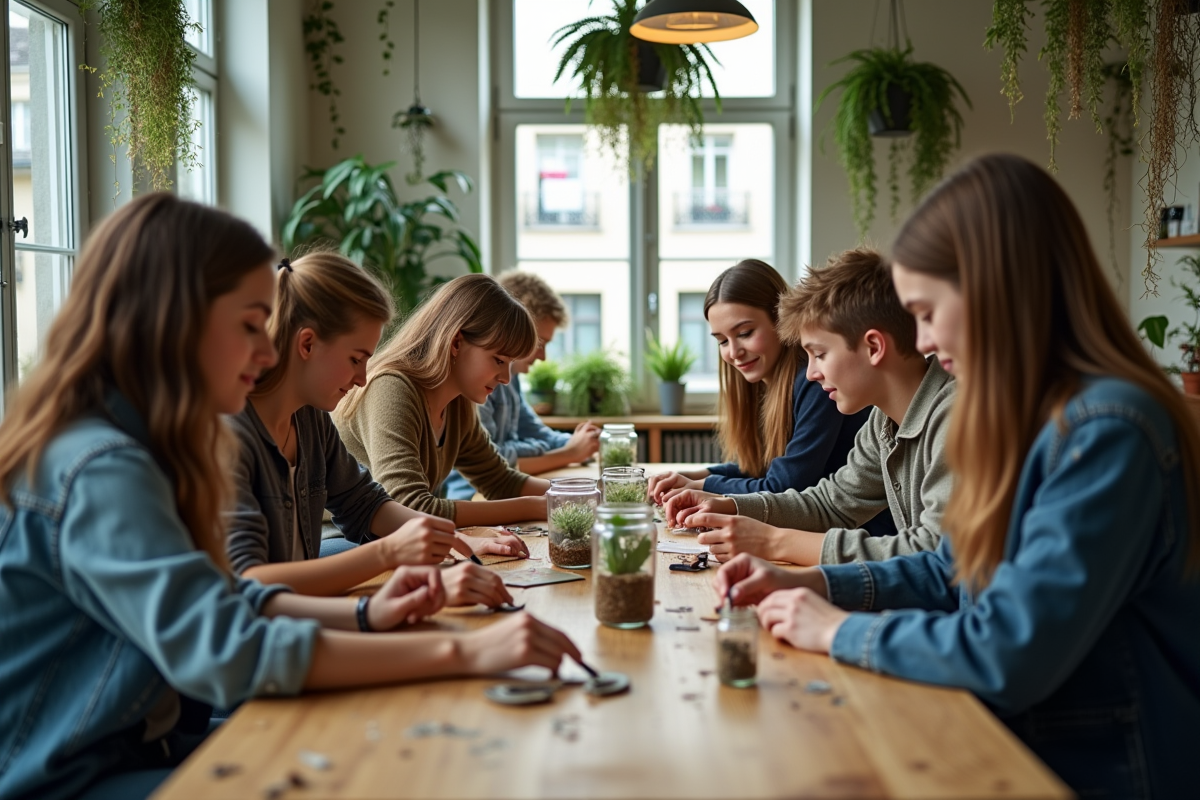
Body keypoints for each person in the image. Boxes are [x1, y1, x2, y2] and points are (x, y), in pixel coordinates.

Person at [0, 195, 580, 800]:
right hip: (75, 777)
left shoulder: (150, 445)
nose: (266, 348)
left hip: (149, 745)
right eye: (251, 324)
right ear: (177, 320)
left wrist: (368, 615)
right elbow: (228, 645)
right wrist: (458, 651)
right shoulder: (103, 468)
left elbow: (231, 596)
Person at [715, 154, 1200, 798]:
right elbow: (953, 566)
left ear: (995, 289)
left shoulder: (1106, 429)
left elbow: (1010, 650)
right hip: (1024, 740)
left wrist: (837, 629)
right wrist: (815, 583)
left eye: (926, 311)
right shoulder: (1038, 415)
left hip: (1092, 768)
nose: (918, 338)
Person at [225, 251, 523, 605]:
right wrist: (390, 553)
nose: (362, 377)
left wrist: (451, 540)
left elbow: (365, 503)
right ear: (306, 344)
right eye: (356, 359)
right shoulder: (227, 433)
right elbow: (247, 587)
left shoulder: (311, 419)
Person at [665, 249, 953, 566]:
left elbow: (936, 556)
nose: (812, 373)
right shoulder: (881, 423)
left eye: (819, 354)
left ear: (873, 347)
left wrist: (772, 543)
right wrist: (732, 505)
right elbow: (831, 504)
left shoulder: (955, 417)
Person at [649, 260, 889, 543]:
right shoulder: (765, 382)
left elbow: (784, 485)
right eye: (722, 341)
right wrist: (692, 477)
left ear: (781, 321)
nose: (734, 353)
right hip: (822, 536)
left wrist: (703, 486)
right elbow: (760, 466)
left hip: (857, 539)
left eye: (745, 333)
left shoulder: (818, 383)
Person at [333, 274, 552, 526]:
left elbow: (500, 481)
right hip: (343, 538)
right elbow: (411, 507)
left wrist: (580, 492)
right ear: (456, 342)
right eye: (499, 360)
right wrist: (534, 507)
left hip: (398, 540)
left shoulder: (458, 402)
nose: (505, 378)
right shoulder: (391, 388)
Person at [443, 271, 599, 500]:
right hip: (473, 498)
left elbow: (529, 434)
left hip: (497, 495)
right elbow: (497, 460)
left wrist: (581, 445)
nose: (543, 356)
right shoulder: (472, 383)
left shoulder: (508, 377)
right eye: (539, 343)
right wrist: (569, 453)